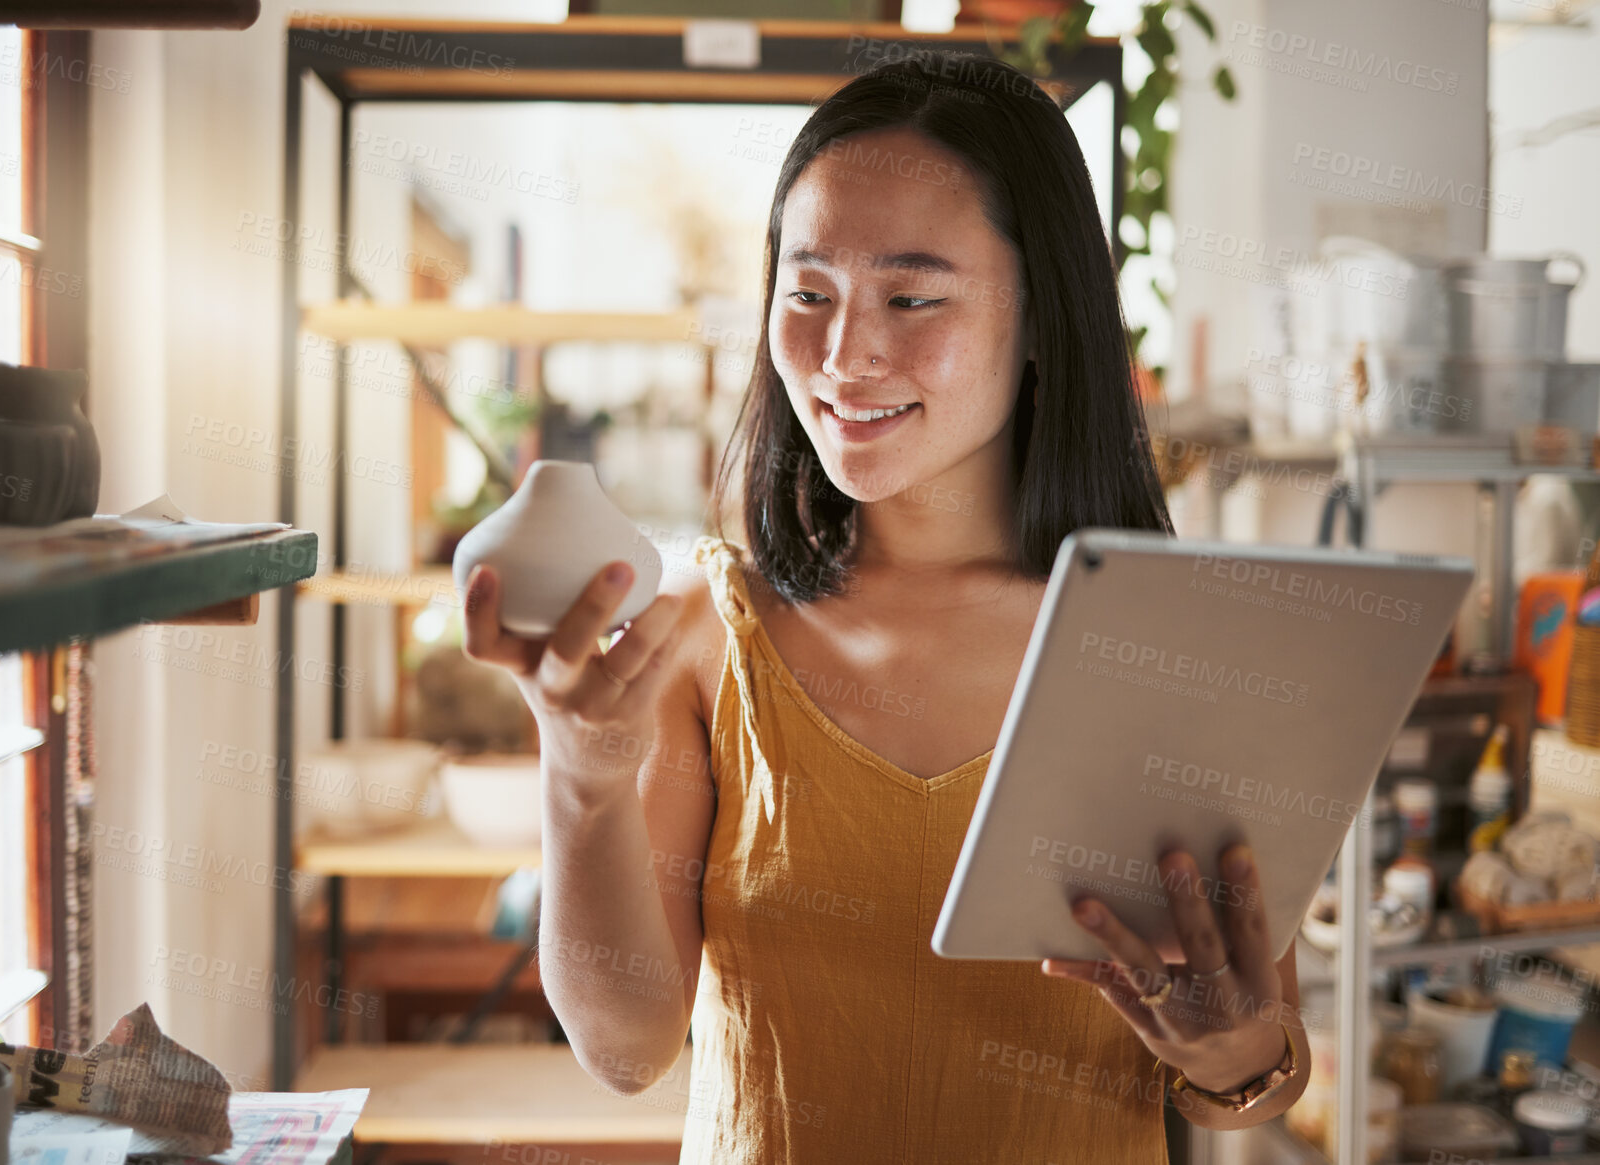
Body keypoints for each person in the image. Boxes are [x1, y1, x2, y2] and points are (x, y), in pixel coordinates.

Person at [460, 47, 1309, 1164]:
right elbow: (625, 1048)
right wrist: (581, 769)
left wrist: (1232, 1051)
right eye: (808, 293)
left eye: (913, 297)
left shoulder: (1175, 648)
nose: (845, 354)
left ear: (1046, 315)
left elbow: (1250, 1069)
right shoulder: (708, 632)